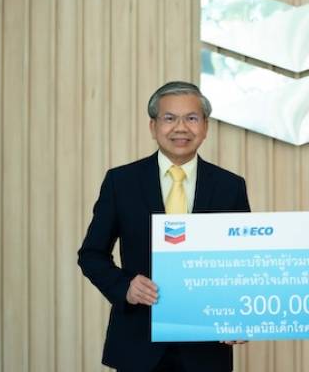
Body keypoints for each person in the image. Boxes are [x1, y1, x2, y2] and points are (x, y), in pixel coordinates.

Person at [78, 81, 250, 372]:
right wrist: (125, 287)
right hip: (138, 344)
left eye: (191, 118)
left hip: (207, 346)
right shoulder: (121, 182)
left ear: (205, 127)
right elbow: (91, 254)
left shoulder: (229, 186)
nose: (181, 128)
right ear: (153, 126)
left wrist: (239, 316)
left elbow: (243, 262)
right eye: (170, 118)